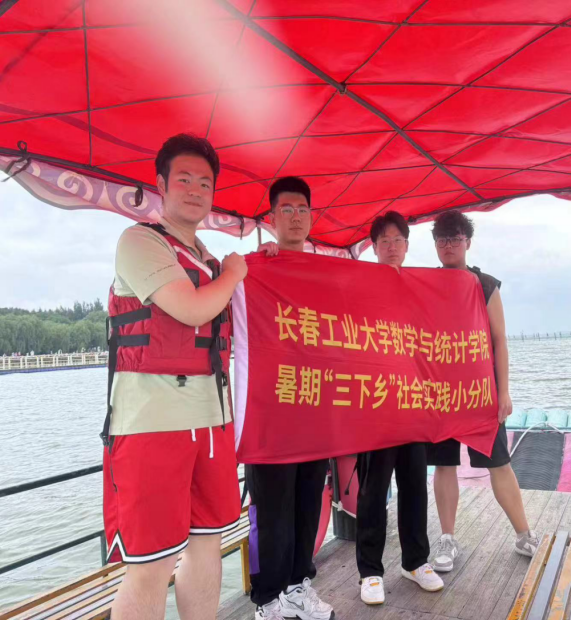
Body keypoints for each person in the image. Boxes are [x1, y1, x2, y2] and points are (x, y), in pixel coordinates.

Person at [103, 134, 248, 619]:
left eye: (205, 183)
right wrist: (234, 274)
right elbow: (190, 309)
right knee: (152, 562)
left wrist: (245, 267)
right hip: (151, 424)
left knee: (209, 542)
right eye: (184, 179)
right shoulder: (140, 241)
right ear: (161, 185)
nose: (195, 190)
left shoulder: (209, 259)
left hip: (212, 419)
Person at [427, 210, 538, 573]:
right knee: (444, 464)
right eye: (442, 239)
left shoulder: (485, 284)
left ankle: (524, 534)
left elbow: (500, 340)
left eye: (455, 239)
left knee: (499, 463)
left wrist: (504, 391)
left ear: (468, 243)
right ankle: (447, 539)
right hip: (441, 394)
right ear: (435, 244)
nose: (448, 246)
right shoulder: (426, 283)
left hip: (480, 393)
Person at [245, 177, 335, 621]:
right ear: (272, 217)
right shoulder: (259, 268)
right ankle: (267, 601)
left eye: (302, 209)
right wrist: (255, 267)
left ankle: (299, 587)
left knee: (307, 504)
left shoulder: (327, 274)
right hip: (271, 415)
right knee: (271, 508)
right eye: (287, 209)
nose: (296, 217)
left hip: (314, 411)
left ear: (311, 216)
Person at [357, 212, 443, 606]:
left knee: (414, 486)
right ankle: (370, 571)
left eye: (398, 240)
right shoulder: (360, 284)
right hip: (375, 403)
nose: (391, 247)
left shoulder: (419, 286)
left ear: (407, 246)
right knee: (373, 490)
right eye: (384, 241)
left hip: (412, 402)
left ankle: (415, 561)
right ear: (373, 247)